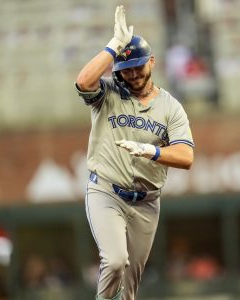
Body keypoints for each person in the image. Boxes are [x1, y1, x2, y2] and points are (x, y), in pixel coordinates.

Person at [74, 5, 194, 300]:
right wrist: (113, 47)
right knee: (115, 261)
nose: (133, 74)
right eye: (125, 70)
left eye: (138, 66)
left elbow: (185, 156)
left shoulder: (170, 107)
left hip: (146, 202)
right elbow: (83, 82)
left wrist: (151, 151)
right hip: (106, 191)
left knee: (129, 288)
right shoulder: (109, 94)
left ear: (151, 61)